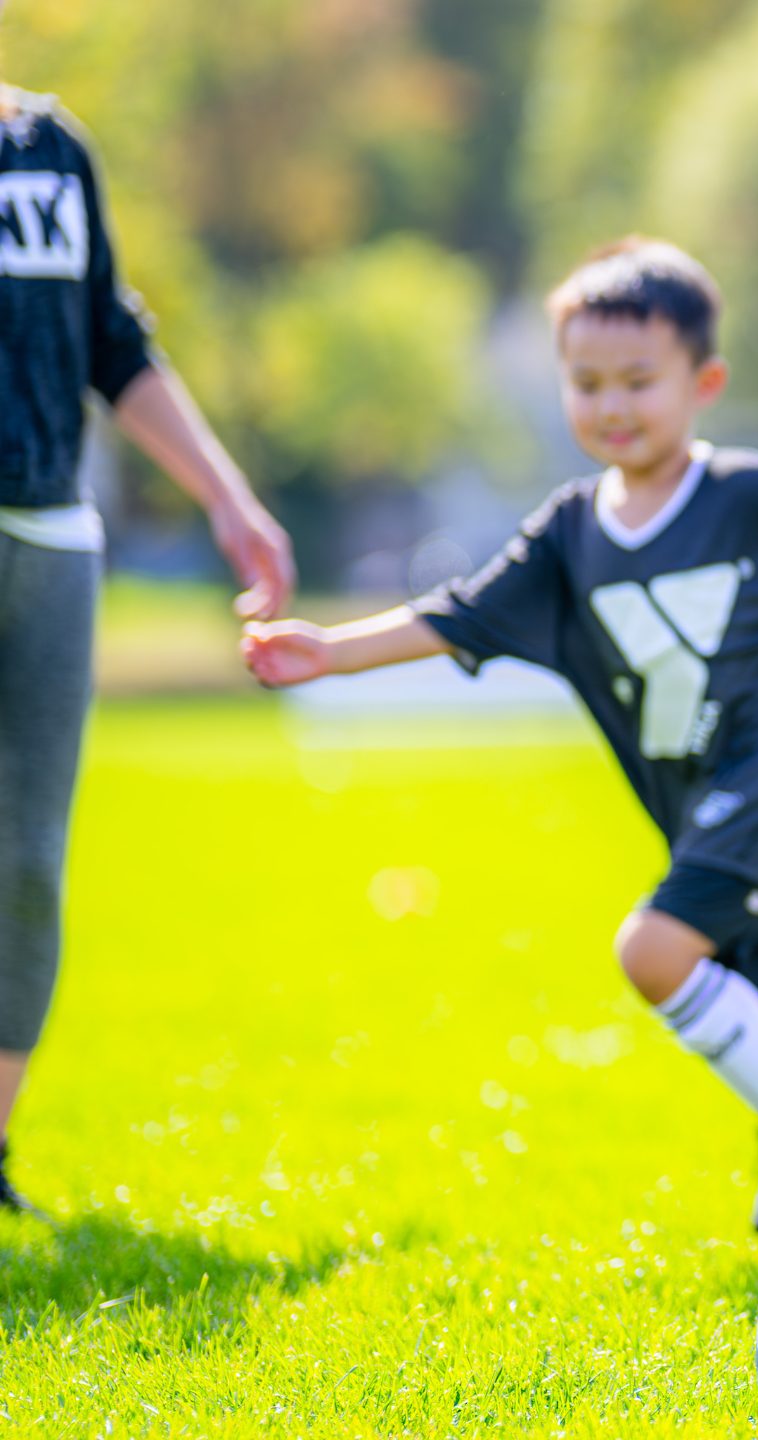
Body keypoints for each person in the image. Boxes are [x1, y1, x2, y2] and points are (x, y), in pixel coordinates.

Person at [241, 238, 758, 1232]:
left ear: (704, 382)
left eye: (638, 381)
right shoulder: (568, 533)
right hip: (692, 809)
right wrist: (327, 652)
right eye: (587, 381)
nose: (612, 404)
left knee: (652, 951)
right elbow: (459, 615)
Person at [0, 72, 296, 1216]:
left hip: (51, 544)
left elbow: (109, 345)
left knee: (23, 867)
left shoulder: (50, 147)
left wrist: (227, 499)